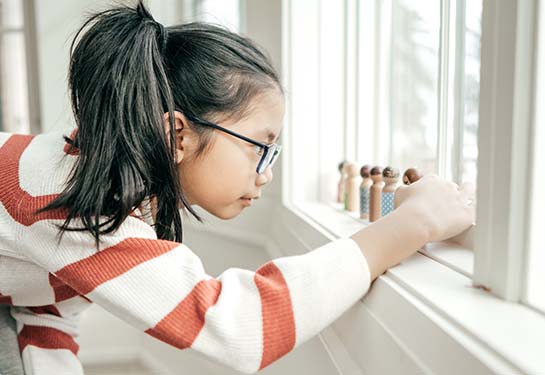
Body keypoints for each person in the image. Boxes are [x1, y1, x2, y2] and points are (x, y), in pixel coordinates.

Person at [0, 1, 474, 374]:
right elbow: (242, 327)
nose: (266, 173)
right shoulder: (79, 206)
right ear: (177, 135)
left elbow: (45, 305)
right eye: (259, 147)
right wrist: (410, 225)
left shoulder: (101, 182)